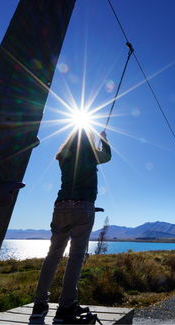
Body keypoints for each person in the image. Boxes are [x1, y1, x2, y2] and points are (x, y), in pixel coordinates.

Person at [30, 129, 111, 324]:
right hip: (83, 207)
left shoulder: (63, 157)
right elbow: (106, 156)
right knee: (76, 256)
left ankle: (39, 306)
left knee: (53, 256)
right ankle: (66, 306)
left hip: (60, 207)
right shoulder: (90, 153)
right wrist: (103, 139)